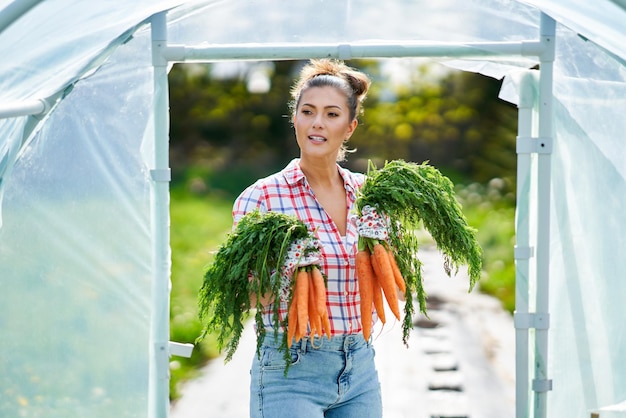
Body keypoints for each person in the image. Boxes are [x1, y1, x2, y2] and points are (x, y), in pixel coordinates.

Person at [232, 59, 382, 418]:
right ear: (295, 119)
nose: (317, 123)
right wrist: (289, 270)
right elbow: (242, 296)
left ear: (350, 127)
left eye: (332, 114)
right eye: (308, 112)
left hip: (359, 366)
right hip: (291, 369)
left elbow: (385, 277)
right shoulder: (262, 199)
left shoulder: (369, 196)